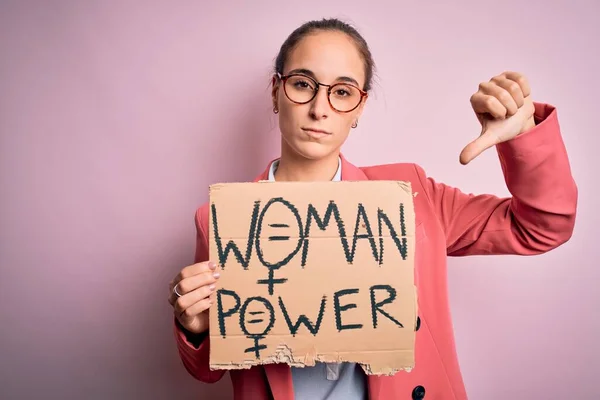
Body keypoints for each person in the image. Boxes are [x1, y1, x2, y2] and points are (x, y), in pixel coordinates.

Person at [167, 18, 577, 400]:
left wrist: (522, 135)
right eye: (303, 84)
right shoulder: (223, 219)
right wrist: (195, 328)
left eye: (342, 92)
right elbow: (209, 369)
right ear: (276, 91)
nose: (320, 108)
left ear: (360, 108)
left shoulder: (412, 196)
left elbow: (541, 227)